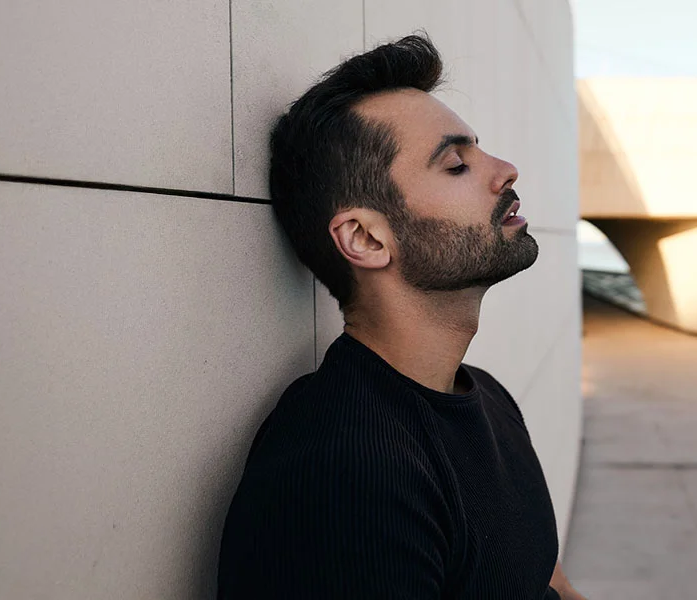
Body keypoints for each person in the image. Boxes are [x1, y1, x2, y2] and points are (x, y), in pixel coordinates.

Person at [217, 34, 586, 600]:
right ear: (365, 238)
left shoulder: (486, 397)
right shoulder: (342, 474)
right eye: (456, 164)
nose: (506, 170)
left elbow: (545, 581)